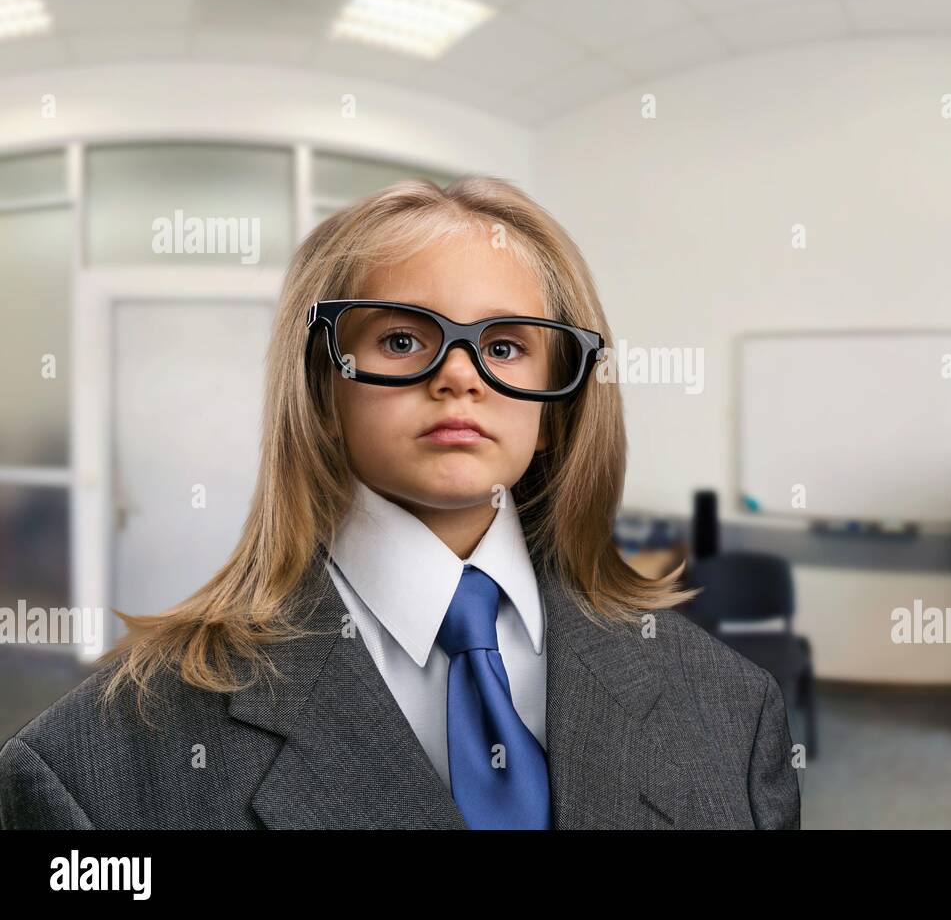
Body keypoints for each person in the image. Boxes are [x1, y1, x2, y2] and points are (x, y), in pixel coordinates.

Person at [0, 176, 801, 829]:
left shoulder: (732, 710)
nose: (460, 376)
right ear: (321, 391)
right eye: (402, 339)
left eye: (505, 346)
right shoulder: (95, 765)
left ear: (557, 408)